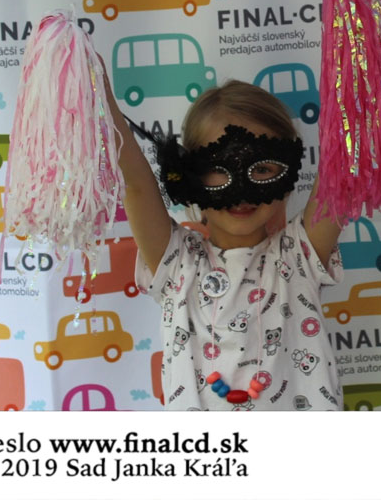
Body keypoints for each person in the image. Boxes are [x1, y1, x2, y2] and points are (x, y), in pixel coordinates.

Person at [106, 76, 345, 410]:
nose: (242, 192)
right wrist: (95, 86)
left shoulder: (298, 256)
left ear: (288, 173)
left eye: (262, 169)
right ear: (188, 175)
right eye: (217, 168)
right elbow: (134, 182)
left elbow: (342, 167)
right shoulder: (177, 263)